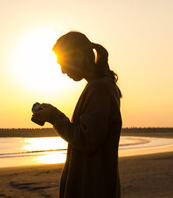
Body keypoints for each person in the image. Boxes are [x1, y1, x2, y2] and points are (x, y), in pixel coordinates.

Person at [31, 31, 122, 198]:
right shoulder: (96, 86)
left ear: (79, 56)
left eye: (63, 63)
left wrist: (55, 117)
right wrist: (53, 114)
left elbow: (87, 140)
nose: (63, 71)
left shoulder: (101, 88)